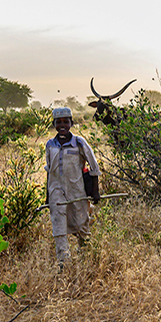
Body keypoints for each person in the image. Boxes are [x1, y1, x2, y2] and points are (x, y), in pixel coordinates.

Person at [44, 107, 100, 268]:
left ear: (71, 123)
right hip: (56, 191)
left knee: (82, 224)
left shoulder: (79, 143)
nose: (62, 125)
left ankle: (85, 258)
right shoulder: (50, 145)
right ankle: (64, 263)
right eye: (58, 122)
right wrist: (48, 196)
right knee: (58, 225)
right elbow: (49, 170)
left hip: (77, 190)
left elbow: (93, 167)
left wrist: (95, 191)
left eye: (66, 122)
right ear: (54, 124)